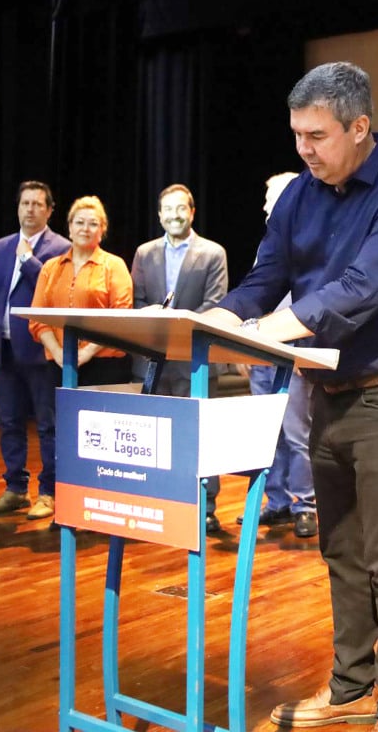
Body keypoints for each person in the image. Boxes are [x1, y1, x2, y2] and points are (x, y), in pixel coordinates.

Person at [201, 62, 378, 732]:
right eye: (297, 135)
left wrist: (266, 328)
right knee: (340, 549)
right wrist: (225, 317)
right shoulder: (300, 196)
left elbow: (360, 290)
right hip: (326, 395)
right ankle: (347, 689)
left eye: (317, 135)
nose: (304, 149)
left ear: (360, 126)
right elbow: (266, 275)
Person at [0, 181, 69, 517]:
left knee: (47, 425)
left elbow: (53, 292)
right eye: (25, 203)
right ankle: (14, 488)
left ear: (50, 210)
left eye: (38, 204)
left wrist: (27, 261)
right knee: (8, 420)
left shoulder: (61, 248)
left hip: (42, 350)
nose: (30, 210)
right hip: (5, 349)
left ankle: (49, 492)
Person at [130, 183, 229, 533]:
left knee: (200, 434)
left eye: (180, 208)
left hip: (195, 358)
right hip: (153, 359)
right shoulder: (144, 253)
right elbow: (137, 302)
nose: (174, 215)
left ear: (192, 212)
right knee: (156, 434)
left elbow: (215, 304)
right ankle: (163, 500)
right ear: (159, 215)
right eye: (167, 209)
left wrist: (176, 329)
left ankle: (207, 506)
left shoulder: (213, 252)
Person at [27, 195, 133, 518]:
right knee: (54, 429)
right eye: (79, 222)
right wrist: (60, 353)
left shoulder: (113, 265)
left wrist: (85, 353)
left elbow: (122, 314)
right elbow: (37, 317)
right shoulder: (50, 267)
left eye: (93, 223)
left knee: (98, 436)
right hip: (58, 362)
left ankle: (96, 501)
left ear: (103, 230)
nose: (85, 228)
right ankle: (51, 494)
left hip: (103, 364)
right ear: (69, 228)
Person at [239, 171, 319, 539]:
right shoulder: (269, 241)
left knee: (297, 433)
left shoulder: (310, 239)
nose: (265, 204)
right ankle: (278, 502)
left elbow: (311, 303)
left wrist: (303, 351)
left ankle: (305, 504)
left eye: (271, 196)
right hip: (261, 354)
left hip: (293, 352)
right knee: (266, 433)